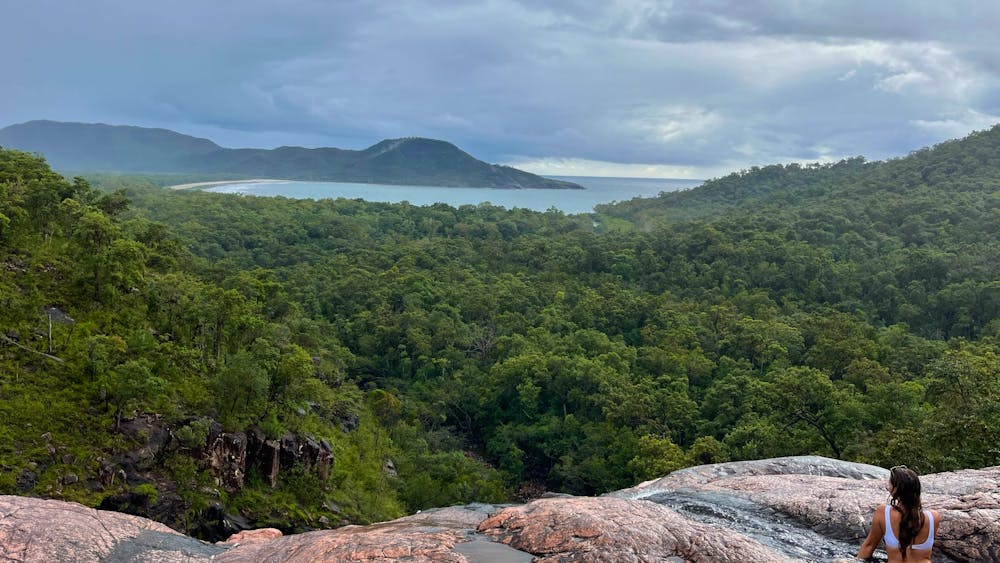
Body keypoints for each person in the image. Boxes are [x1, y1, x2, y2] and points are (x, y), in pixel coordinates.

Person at [855, 465, 939, 562]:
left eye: (889, 484)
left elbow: (869, 546)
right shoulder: (933, 517)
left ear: (894, 490)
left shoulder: (883, 513)